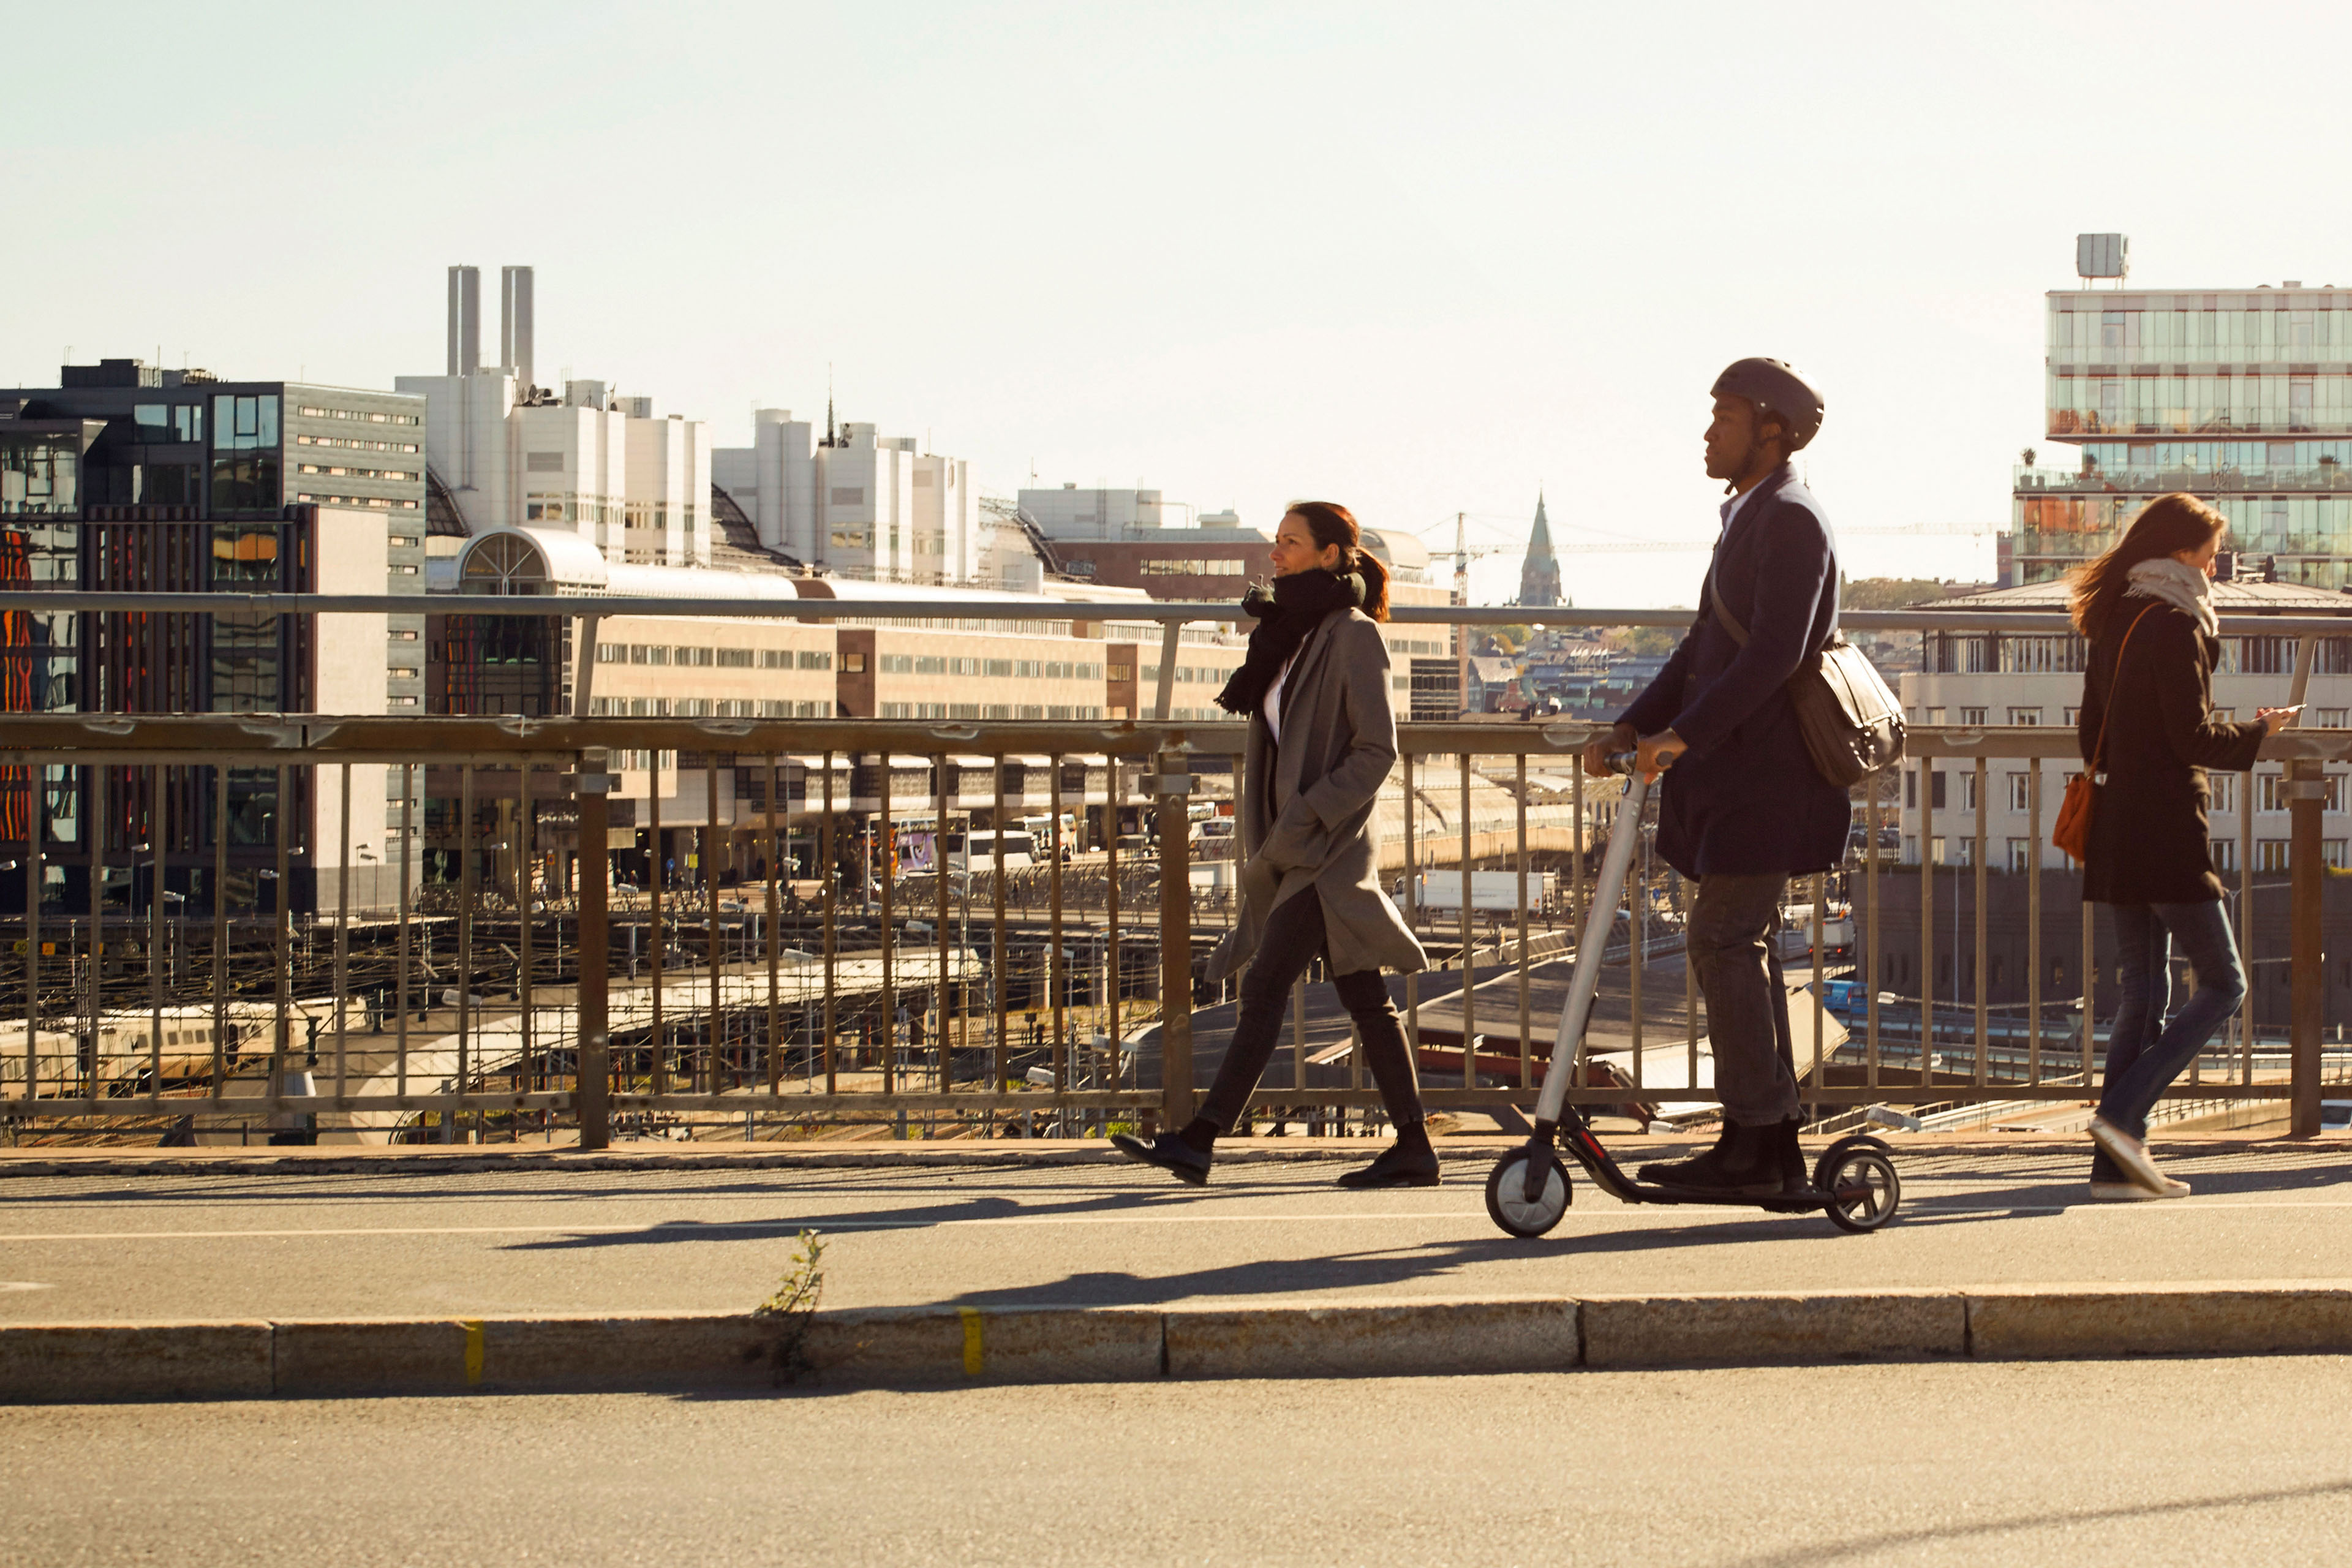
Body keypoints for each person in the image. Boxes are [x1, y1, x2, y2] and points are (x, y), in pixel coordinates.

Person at [1112, 502, 1435, 1188]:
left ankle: (1198, 1140)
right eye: (1276, 543)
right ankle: (1414, 1146)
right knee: (1363, 996)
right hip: (1294, 847)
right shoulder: (1289, 634)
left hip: (1325, 850)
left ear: (1330, 555)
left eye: (1290, 543)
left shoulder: (1353, 636)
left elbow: (1378, 750)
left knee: (1263, 988)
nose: (1276, 555)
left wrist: (1310, 816)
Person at [1584, 358, 1846, 1197]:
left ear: (1771, 430)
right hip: (1739, 777)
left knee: (1724, 940)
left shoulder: (1793, 520)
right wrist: (1632, 725)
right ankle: (1764, 1148)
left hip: (1769, 778)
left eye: (1724, 419)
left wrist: (1683, 736)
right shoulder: (1751, 517)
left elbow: (1774, 653)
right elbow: (1704, 649)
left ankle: (1759, 1142)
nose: (1708, 433)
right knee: (1737, 946)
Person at [2069, 494, 2293, 1199]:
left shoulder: (2115, 617)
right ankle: (2121, 1115)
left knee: (2144, 989)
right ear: (2183, 553)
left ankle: (2115, 1169)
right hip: (2167, 830)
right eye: (2211, 551)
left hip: (2116, 829)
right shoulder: (2175, 624)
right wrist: (2262, 734)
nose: (2217, 564)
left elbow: (2089, 732)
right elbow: (2192, 738)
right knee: (2226, 984)